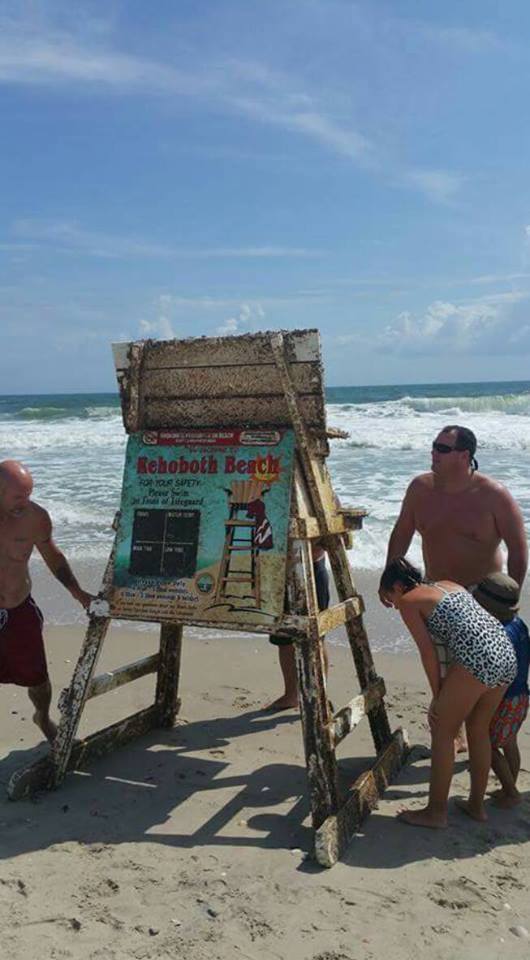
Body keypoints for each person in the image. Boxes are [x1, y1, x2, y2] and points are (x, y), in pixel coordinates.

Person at [380, 424, 527, 751]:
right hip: (438, 596)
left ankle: (483, 733)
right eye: (434, 446)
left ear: (465, 456)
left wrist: (511, 596)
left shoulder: (493, 495)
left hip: (484, 598)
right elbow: (402, 531)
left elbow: (518, 548)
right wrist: (389, 579)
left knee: (478, 671)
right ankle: (453, 729)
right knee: (440, 663)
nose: (434, 453)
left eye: (442, 449)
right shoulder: (420, 489)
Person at [380, 557, 517, 828]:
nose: (395, 606)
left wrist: (437, 697)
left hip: (478, 660)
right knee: (479, 730)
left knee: (442, 729)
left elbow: (428, 654)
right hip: (505, 652)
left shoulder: (410, 601)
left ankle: (436, 812)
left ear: (397, 586)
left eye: (390, 598)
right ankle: (476, 807)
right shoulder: (449, 584)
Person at [0, 460, 93, 742]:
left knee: (38, 679)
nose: (25, 503)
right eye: (18, 497)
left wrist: (78, 592)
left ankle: (42, 715)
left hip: (18, 608)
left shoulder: (35, 518)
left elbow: (53, 556)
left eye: (28, 495)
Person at [473, 573, 530, 808]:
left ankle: (511, 792)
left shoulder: (498, 634)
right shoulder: (519, 625)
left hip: (503, 700)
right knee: (510, 742)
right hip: (521, 696)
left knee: (488, 744)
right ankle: (509, 787)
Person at [266, 543, 330, 710]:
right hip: (280, 568)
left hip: (311, 567)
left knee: (315, 638)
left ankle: (319, 695)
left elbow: (331, 538)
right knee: (282, 637)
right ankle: (291, 695)